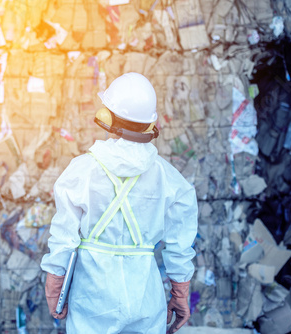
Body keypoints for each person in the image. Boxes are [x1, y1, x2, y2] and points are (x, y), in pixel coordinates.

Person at [40, 72, 198, 334]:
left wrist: (54, 286)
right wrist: (180, 292)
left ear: (107, 117)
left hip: (93, 300)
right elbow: (181, 243)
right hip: (146, 301)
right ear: (151, 124)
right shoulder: (169, 178)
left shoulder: (81, 171)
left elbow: (63, 238)